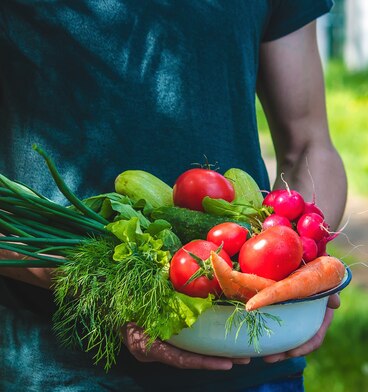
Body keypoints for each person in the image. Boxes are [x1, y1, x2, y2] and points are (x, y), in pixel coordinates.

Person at [0, 1, 347, 391]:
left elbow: (311, 145)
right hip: (61, 367)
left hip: (251, 357)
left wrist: (304, 266)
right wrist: (108, 286)